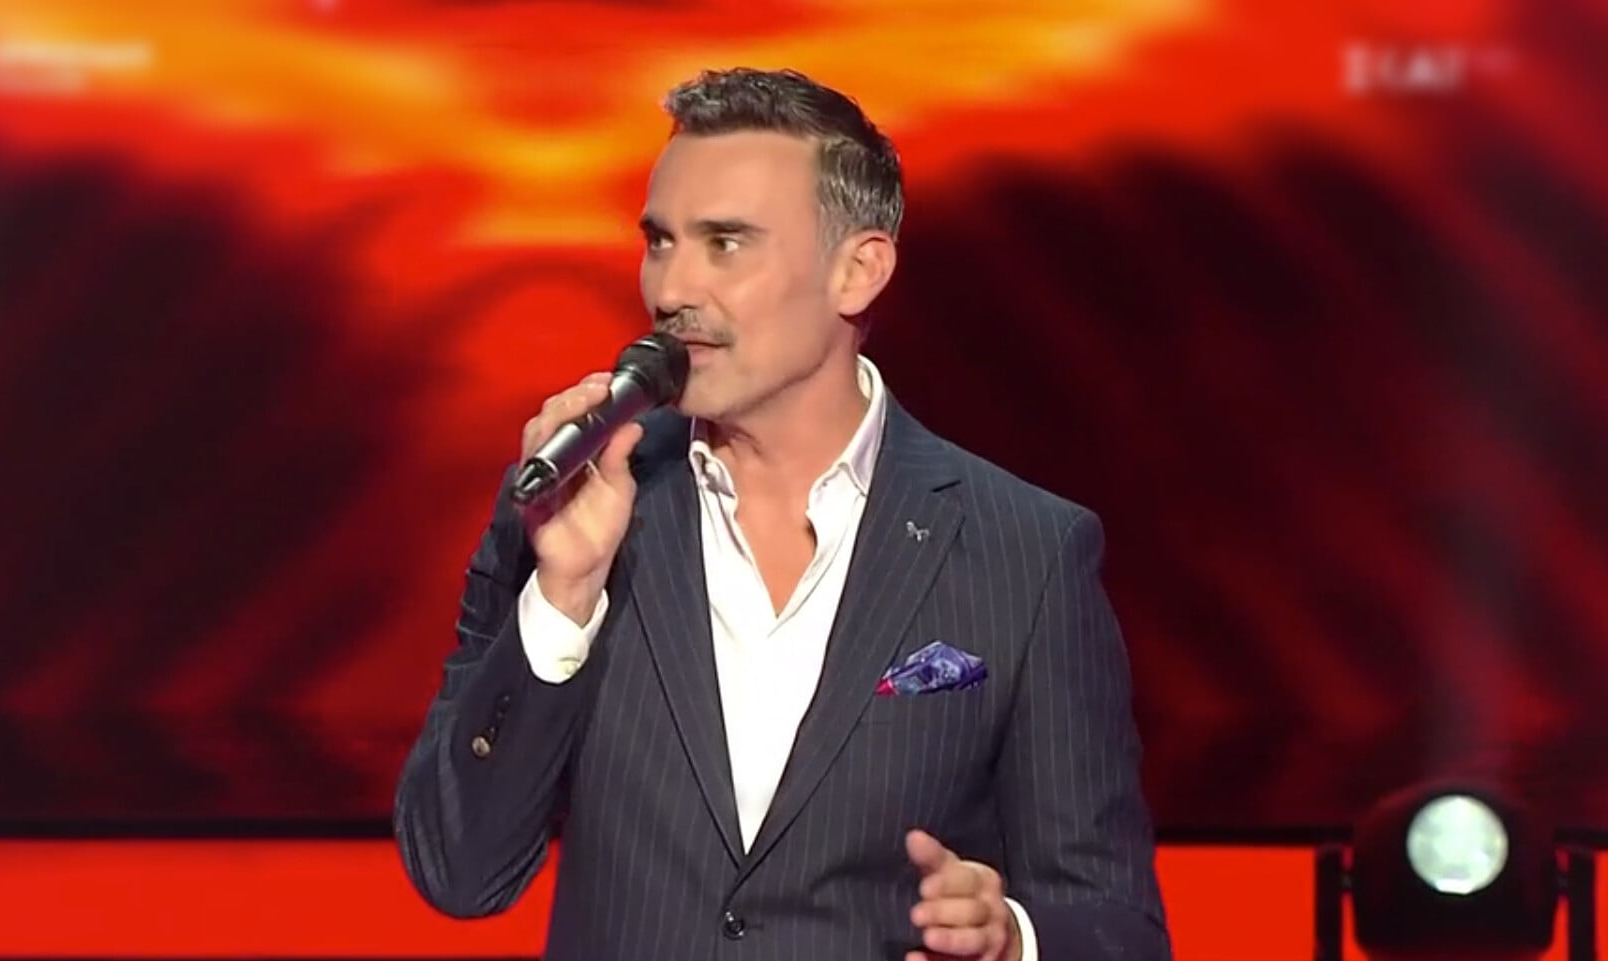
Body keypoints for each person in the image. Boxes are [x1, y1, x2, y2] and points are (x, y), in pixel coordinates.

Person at [394, 66, 1171, 961]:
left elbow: (1116, 930)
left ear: (858, 271)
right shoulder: (573, 507)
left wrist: (1014, 941)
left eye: (725, 243)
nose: (671, 288)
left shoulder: (1026, 553)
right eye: (660, 241)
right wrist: (564, 600)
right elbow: (457, 871)